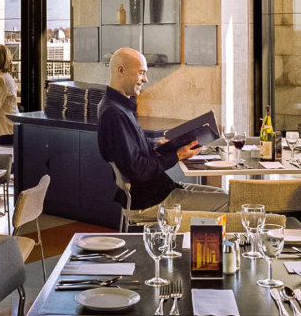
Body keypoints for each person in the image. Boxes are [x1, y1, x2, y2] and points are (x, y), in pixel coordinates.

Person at [97, 47, 227, 213]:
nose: (145, 79)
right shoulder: (114, 113)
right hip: (148, 200)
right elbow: (138, 169)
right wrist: (176, 155)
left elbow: (129, 150)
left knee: (222, 193)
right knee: (228, 203)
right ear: (121, 70)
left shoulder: (118, 107)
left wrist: (154, 145)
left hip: (158, 191)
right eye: (141, 73)